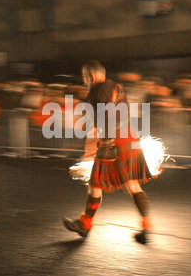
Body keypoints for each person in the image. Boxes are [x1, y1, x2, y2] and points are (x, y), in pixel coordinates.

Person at [63, 60, 153, 244]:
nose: (84, 80)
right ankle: (147, 226)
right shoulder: (116, 86)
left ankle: (85, 225)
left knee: (95, 184)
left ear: (93, 75)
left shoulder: (98, 89)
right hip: (129, 137)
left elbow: (108, 115)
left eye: (85, 77)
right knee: (133, 185)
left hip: (113, 141)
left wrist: (105, 141)